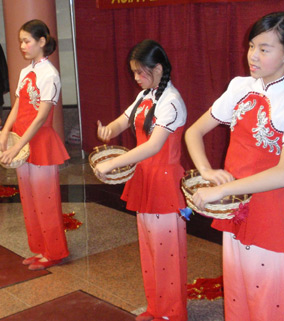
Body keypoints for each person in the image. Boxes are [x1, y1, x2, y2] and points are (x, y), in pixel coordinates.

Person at [184, 12, 284, 321]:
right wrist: (206, 172)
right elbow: (194, 132)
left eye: (265, 49)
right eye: (252, 46)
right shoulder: (240, 86)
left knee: (267, 302)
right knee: (238, 292)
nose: (253, 56)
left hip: (269, 211)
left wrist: (221, 190)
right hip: (235, 207)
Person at [94, 39, 188, 321]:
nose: (136, 78)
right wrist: (109, 129)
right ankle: (156, 307)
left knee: (167, 252)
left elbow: (152, 146)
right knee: (149, 248)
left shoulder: (171, 101)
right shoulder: (146, 95)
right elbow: (125, 119)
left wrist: (113, 162)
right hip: (145, 177)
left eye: (140, 72)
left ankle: (173, 312)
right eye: (133, 72)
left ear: (158, 68)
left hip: (164, 180)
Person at [0, 20, 69, 271]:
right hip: (22, 140)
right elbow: (17, 105)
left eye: (26, 40)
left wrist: (17, 147)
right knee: (29, 199)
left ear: (42, 42)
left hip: (39, 141)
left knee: (46, 200)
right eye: (21, 41)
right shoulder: (26, 71)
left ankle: (55, 251)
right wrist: (5, 133)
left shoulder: (50, 73)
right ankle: (40, 248)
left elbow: (41, 117)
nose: (22, 45)